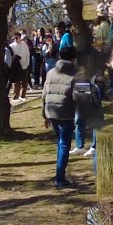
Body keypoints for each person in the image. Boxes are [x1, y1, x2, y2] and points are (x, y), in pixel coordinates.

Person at [42, 45, 79, 189]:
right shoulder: (75, 74)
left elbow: (44, 94)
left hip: (51, 111)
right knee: (64, 144)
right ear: (73, 58)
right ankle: (60, 178)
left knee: (60, 143)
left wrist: (44, 115)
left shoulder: (51, 72)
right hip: (66, 112)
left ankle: (60, 174)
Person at [8, 31, 30, 101]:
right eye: (14, 38)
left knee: (24, 82)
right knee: (16, 82)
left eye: (17, 38)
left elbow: (27, 54)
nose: (15, 39)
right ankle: (15, 96)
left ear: (20, 37)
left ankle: (22, 96)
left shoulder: (25, 45)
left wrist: (27, 63)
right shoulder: (11, 46)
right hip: (16, 66)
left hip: (24, 65)